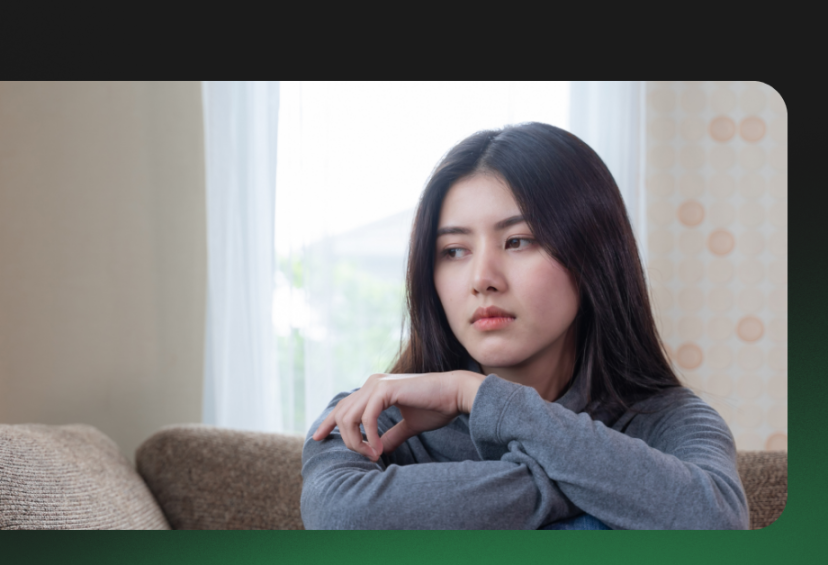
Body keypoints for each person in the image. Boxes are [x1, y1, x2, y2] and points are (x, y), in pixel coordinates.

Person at [301, 123, 749, 530]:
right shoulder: (367, 418)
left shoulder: (666, 419)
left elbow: (717, 523)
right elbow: (341, 515)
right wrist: (604, 486)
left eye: (518, 241)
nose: (482, 279)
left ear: (592, 256)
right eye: (454, 251)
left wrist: (474, 395)